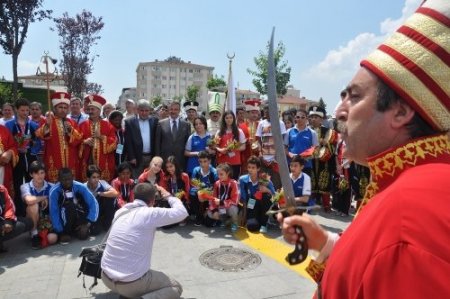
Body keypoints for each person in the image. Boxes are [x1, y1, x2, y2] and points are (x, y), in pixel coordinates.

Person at [279, 1, 450, 297]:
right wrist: (324, 242)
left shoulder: (406, 216)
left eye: (354, 97)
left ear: (400, 112)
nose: (339, 111)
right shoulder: (412, 183)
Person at [101, 182, 187, 299]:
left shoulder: (120, 212)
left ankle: (129, 293)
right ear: (153, 200)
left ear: (133, 196)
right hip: (130, 283)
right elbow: (182, 213)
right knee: (175, 287)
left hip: (106, 277)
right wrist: (168, 195)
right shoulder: (150, 213)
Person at [5, 98, 42, 217]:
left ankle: (33, 209)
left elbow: (38, 142)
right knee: (17, 184)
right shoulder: (9, 125)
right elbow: (7, 142)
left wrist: (31, 148)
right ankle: (19, 212)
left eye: (27, 110)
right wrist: (16, 149)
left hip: (30, 157)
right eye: (22, 110)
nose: (25, 113)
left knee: (32, 183)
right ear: (16, 110)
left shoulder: (33, 124)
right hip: (16, 158)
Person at [35, 92, 83, 183]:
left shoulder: (72, 122)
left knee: (70, 182)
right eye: (60, 107)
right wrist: (47, 126)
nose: (63, 110)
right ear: (55, 108)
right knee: (54, 182)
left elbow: (79, 138)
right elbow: (39, 134)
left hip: (70, 158)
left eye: (65, 108)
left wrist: (71, 130)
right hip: (53, 156)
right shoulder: (48, 121)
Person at [49, 168, 99, 244]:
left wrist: (88, 223)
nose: (67, 182)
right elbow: (54, 212)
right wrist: (60, 231)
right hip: (63, 219)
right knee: (70, 206)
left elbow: (93, 203)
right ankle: (66, 232)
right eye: (64, 180)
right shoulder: (54, 191)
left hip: (78, 215)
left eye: (69, 179)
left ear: (73, 178)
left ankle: (77, 229)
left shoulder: (80, 187)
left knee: (84, 235)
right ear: (59, 179)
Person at [78, 94, 117, 182]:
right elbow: (76, 141)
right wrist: (84, 141)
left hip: (103, 161)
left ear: (99, 111)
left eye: (93, 109)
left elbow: (114, 143)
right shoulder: (82, 125)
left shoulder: (108, 125)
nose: (90, 111)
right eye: (89, 109)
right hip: (87, 160)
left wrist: (101, 137)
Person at [21, 161, 57, 249]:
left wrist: (48, 199)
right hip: (32, 219)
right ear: (31, 174)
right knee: (33, 205)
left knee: (52, 239)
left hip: (47, 220)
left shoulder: (52, 186)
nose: (40, 176)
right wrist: (44, 197)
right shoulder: (25, 186)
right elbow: (29, 200)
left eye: (42, 173)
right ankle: (34, 234)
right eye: (36, 173)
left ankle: (45, 233)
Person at [308, 105, 337, 212]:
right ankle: (311, 204)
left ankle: (326, 205)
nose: (314, 119)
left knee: (324, 182)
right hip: (310, 160)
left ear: (321, 119)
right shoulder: (307, 130)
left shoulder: (329, 131)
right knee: (311, 182)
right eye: (312, 117)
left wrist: (325, 143)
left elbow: (333, 147)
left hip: (324, 161)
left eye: (316, 117)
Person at [239, 156, 275, 233]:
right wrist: (244, 215)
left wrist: (267, 190)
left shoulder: (264, 178)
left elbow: (275, 195)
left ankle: (264, 224)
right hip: (251, 204)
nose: (250, 170)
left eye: (253, 168)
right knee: (252, 226)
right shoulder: (242, 180)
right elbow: (244, 198)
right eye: (249, 167)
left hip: (263, 204)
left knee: (266, 196)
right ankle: (259, 219)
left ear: (258, 169)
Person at [124, 99, 158, 178]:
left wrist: (156, 156)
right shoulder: (129, 122)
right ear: (137, 110)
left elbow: (157, 139)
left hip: (151, 156)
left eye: (146, 110)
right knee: (137, 179)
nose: (144, 113)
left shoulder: (155, 121)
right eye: (142, 110)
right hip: (137, 157)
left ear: (149, 110)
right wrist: (132, 157)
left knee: (151, 178)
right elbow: (128, 142)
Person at [256, 105, 287, 190]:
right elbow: (258, 140)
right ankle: (265, 202)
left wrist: (276, 157)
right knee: (263, 184)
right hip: (264, 160)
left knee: (275, 185)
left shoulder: (280, 123)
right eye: (266, 112)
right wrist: (260, 153)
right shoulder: (261, 123)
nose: (267, 113)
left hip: (276, 160)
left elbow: (282, 141)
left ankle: (276, 202)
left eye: (269, 111)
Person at [155, 101, 190, 171]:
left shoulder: (186, 125)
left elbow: (187, 144)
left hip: (180, 160)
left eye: (175, 109)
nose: (173, 111)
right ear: (168, 110)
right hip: (165, 160)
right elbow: (157, 144)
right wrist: (157, 159)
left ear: (179, 111)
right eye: (171, 109)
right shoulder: (161, 123)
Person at [84, 165, 119, 232]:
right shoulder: (83, 187)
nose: (96, 180)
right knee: (95, 231)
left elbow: (115, 193)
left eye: (98, 177)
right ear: (88, 178)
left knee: (109, 199)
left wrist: (99, 193)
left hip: (101, 208)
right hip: (91, 212)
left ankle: (108, 224)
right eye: (93, 177)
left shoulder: (102, 183)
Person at [284, 109, 318, 175]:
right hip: (292, 165)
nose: (300, 119)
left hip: (306, 165)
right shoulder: (289, 131)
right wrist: (290, 154)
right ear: (295, 118)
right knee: (290, 185)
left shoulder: (312, 133)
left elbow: (316, 148)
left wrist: (307, 156)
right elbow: (284, 147)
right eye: (298, 117)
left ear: (306, 118)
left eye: (303, 117)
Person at [207, 163, 239, 232]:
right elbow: (213, 199)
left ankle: (234, 223)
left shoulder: (233, 183)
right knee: (210, 213)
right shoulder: (217, 184)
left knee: (233, 209)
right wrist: (214, 210)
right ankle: (224, 221)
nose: (219, 176)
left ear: (228, 173)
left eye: (221, 174)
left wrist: (222, 202)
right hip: (220, 208)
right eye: (218, 174)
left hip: (228, 207)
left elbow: (235, 200)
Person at [215, 110, 246, 180]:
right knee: (222, 181)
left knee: (233, 181)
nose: (229, 120)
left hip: (235, 162)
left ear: (234, 119)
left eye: (231, 117)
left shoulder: (239, 131)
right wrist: (221, 150)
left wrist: (233, 148)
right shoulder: (219, 132)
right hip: (222, 162)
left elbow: (243, 147)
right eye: (227, 118)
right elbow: (215, 146)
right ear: (224, 119)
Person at [190, 151, 218, 226]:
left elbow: (216, 189)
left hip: (210, 196)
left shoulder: (214, 172)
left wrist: (206, 194)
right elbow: (193, 183)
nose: (202, 164)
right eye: (200, 161)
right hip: (199, 194)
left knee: (208, 223)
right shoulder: (196, 170)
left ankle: (210, 214)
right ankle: (198, 216)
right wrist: (199, 191)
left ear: (209, 161)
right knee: (192, 192)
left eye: (205, 161)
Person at [0, 184, 31, 252]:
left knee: (26, 223)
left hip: (2, 220)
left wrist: (8, 220)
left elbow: (10, 206)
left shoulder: (1, 189)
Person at [160, 156, 190, 225]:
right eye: (167, 167)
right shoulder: (166, 177)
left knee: (181, 219)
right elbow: (165, 191)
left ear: (176, 165)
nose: (169, 169)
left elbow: (187, 191)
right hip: (170, 200)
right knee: (165, 225)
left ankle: (179, 217)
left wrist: (182, 194)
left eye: (171, 166)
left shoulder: (184, 176)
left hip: (181, 201)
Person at [0, 123, 19, 197]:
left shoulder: (4, 129)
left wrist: (10, 153)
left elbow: (13, 146)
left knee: (4, 199)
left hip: (3, 170)